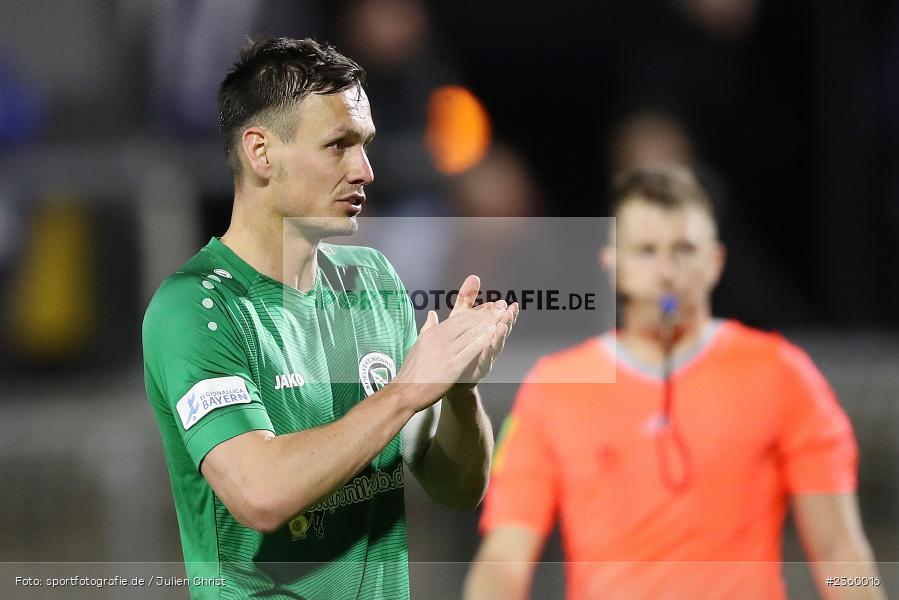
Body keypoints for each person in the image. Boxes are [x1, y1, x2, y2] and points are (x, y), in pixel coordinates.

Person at [142, 36, 518, 600]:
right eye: (337, 145)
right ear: (260, 152)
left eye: (363, 144)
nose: (364, 170)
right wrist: (406, 391)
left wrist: (459, 389)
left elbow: (458, 486)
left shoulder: (372, 282)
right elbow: (260, 493)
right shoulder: (196, 309)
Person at [464, 165, 883, 600]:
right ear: (611, 262)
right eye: (646, 250)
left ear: (715, 262)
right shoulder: (556, 388)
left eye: (683, 250)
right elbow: (503, 561)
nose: (666, 271)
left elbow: (840, 555)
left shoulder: (782, 376)